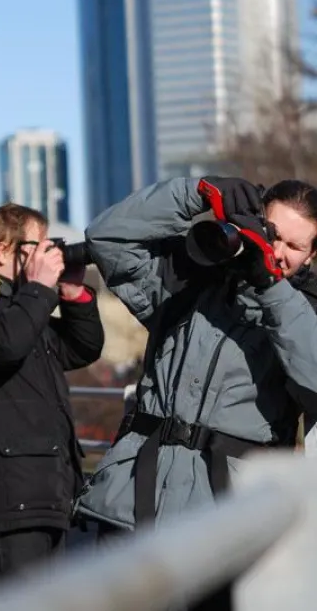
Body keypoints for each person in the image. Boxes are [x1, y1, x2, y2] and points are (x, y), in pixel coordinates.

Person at [76, 177, 317, 543]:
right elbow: (106, 239)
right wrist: (195, 192)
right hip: (133, 504)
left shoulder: (305, 313)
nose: (278, 251)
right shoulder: (193, 277)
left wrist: (270, 287)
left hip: (228, 522)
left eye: (294, 246)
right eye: (272, 234)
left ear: (311, 256)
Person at [0, 203, 105, 583]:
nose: (48, 254)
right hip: (7, 497)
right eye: (37, 246)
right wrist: (40, 290)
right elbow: (5, 345)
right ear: (2, 250)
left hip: (47, 492)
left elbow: (82, 348)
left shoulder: (24, 307)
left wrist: (72, 294)